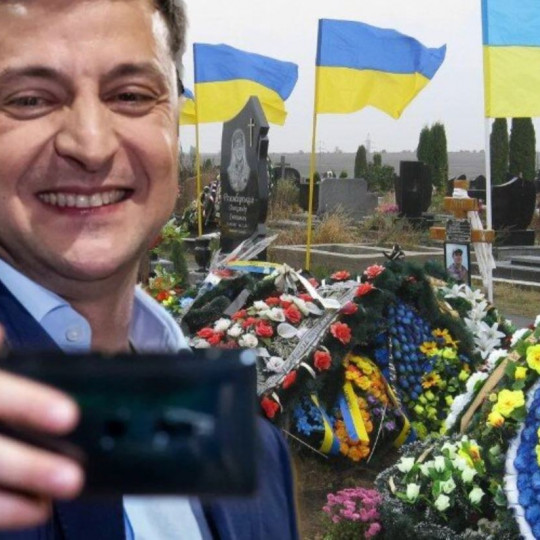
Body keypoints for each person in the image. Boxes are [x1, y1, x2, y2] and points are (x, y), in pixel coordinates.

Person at [0, 1, 298, 538]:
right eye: (29, 99)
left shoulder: (257, 453)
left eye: (132, 95)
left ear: (176, 118)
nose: (91, 145)